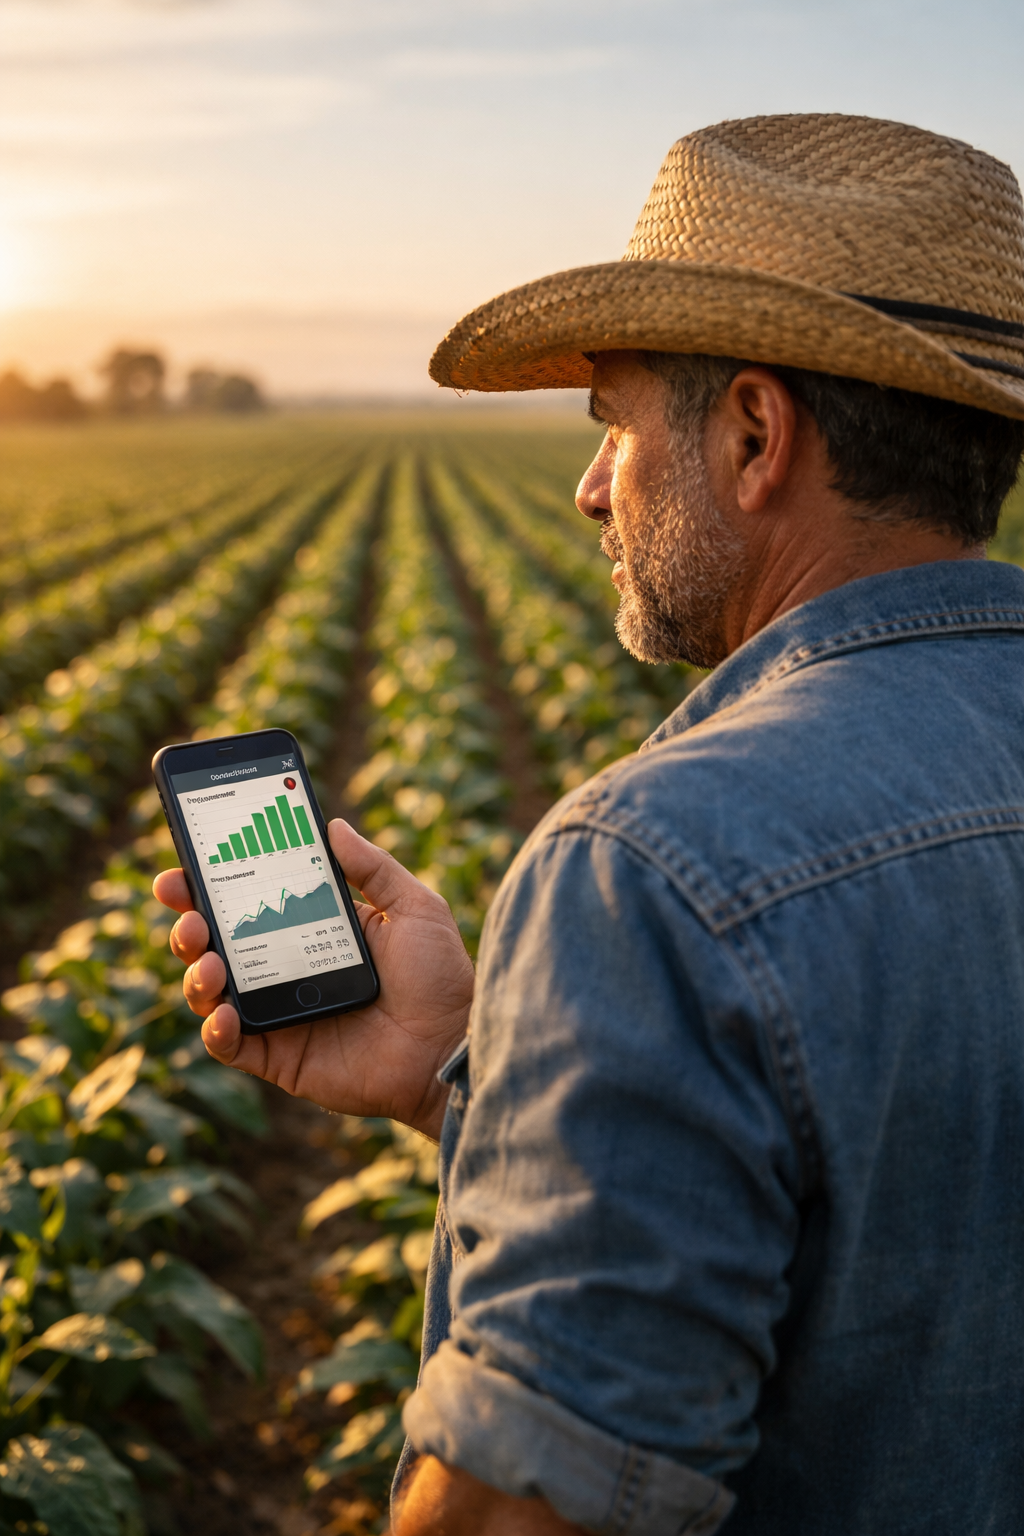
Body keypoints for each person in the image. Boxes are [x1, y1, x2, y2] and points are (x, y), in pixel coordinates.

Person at [155, 114, 1024, 1534]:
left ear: (755, 432)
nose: (587, 488)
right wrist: (463, 1071)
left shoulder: (661, 873)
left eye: (611, 424)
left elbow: (524, 1513)